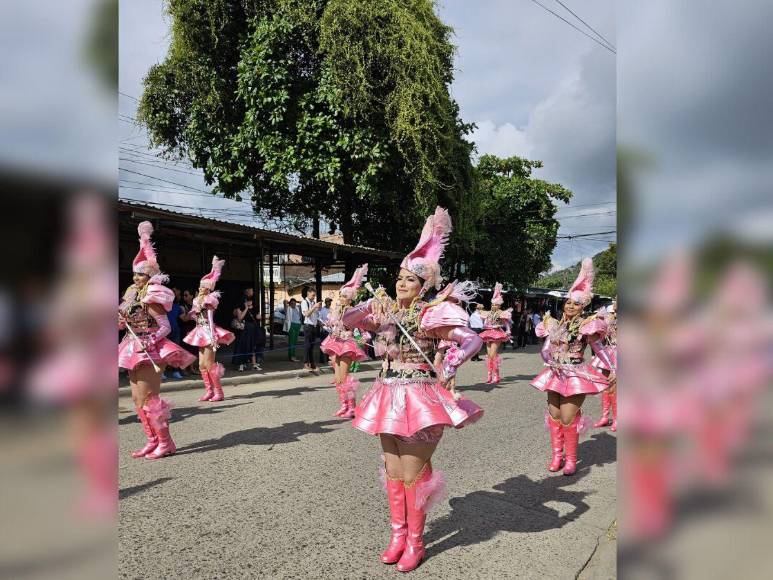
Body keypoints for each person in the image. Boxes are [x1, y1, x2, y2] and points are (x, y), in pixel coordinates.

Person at [342, 207, 483, 572]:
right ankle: (398, 536)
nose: (401, 283)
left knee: (412, 474)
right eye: (400, 278)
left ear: (423, 286)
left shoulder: (429, 314)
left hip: (420, 397)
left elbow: (472, 339)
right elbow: (347, 319)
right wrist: (365, 303)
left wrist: (451, 364)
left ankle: (416, 543)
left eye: (410, 279)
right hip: (386, 395)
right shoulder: (386, 313)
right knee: (392, 472)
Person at [531, 258, 615, 475]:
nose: (570, 306)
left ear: (582, 306)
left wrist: (614, 368)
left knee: (568, 417)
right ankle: (556, 456)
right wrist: (549, 358)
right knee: (554, 416)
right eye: (568, 302)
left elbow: (599, 349)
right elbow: (546, 349)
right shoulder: (554, 324)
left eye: (576, 304)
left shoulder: (587, 325)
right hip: (555, 373)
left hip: (575, 373)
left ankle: (571, 459)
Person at [119, 222, 195, 459]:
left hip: (150, 349)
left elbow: (165, 327)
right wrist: (121, 321)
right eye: (135, 273)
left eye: (141, 274)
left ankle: (165, 442)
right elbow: (126, 322)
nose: (136, 277)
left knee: (149, 399)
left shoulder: (152, 296)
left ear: (150, 276)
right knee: (137, 398)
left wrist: (149, 340)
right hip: (133, 346)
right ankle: (152, 441)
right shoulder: (133, 296)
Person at [183, 256, 235, 402]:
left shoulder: (209, 300)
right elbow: (194, 317)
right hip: (199, 331)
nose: (200, 289)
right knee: (201, 365)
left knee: (209, 364)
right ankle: (209, 391)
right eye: (200, 286)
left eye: (203, 287)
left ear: (208, 289)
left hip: (208, 331)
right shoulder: (196, 301)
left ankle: (219, 392)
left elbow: (210, 319)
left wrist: (212, 337)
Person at [320, 266, 369, 418]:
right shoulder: (338, 310)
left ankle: (352, 407)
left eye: (343, 296)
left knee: (344, 377)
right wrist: (330, 325)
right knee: (338, 379)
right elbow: (333, 323)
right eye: (340, 296)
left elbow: (363, 328)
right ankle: (344, 405)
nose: (340, 298)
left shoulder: (352, 312)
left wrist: (363, 336)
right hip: (336, 343)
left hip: (347, 344)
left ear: (350, 299)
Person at [479, 283, 513, 384]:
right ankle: (489, 375)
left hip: (497, 333)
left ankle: (496, 375)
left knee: (493, 355)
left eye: (496, 304)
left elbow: (506, 323)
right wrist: (485, 324)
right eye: (493, 304)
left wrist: (508, 331)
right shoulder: (488, 313)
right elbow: (485, 323)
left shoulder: (502, 313)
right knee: (489, 355)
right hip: (488, 333)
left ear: (499, 305)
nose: (494, 306)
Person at [592, 299, 618, 431]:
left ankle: (617, 419)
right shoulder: (609, 317)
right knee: (605, 386)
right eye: (616, 300)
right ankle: (605, 417)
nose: (615, 303)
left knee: (614, 388)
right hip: (608, 353)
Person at [232, 290, 261, 371]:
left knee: (252, 346)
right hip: (244, 330)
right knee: (243, 347)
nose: (249, 302)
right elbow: (240, 318)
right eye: (247, 301)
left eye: (250, 300)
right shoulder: (240, 308)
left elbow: (257, 317)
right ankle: (241, 364)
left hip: (252, 330)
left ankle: (254, 364)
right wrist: (246, 308)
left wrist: (258, 317)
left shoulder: (255, 308)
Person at [164, 288, 185, 380]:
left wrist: (193, 312)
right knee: (164, 352)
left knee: (176, 352)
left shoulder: (177, 307)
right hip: (163, 332)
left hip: (175, 331)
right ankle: (162, 372)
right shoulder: (161, 306)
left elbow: (184, 318)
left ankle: (175, 371)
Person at [300, 286, 322, 373]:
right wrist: (314, 307)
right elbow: (307, 314)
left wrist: (320, 323)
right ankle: (305, 363)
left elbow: (315, 316)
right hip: (308, 326)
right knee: (307, 346)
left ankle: (312, 364)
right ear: (308, 293)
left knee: (312, 346)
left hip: (314, 326)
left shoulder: (313, 302)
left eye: (314, 295)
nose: (314, 297)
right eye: (313, 295)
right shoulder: (304, 302)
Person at [318, 296, 332, 365]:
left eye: (330, 302)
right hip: (324, 330)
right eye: (328, 302)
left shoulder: (331, 310)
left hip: (330, 330)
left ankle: (328, 359)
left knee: (329, 345)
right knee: (323, 344)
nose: (330, 303)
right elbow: (319, 320)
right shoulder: (322, 310)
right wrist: (322, 327)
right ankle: (321, 359)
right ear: (326, 302)